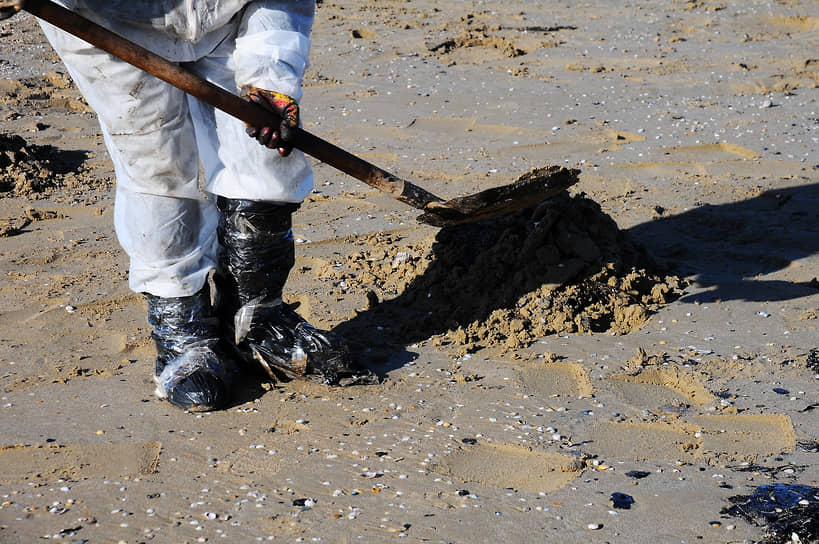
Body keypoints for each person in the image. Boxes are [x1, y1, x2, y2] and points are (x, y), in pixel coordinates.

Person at [12, 0, 375, 411]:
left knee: (268, 156)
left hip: (235, 10)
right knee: (153, 162)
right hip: (102, 16)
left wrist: (269, 75)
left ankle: (255, 318)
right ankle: (182, 334)